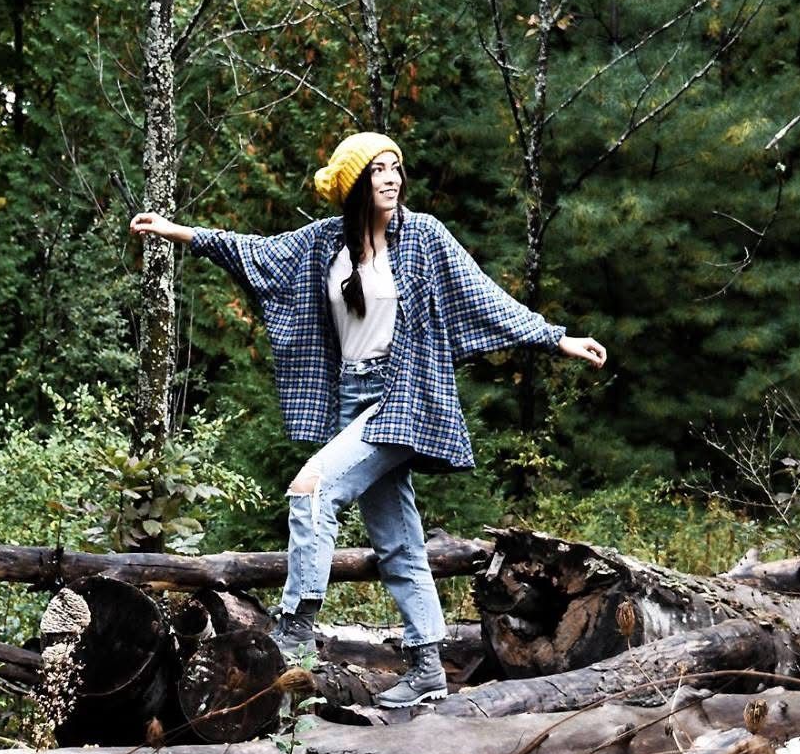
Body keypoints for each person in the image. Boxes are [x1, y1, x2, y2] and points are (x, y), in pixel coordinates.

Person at [130, 132, 606, 709]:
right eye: (378, 169)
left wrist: (557, 339)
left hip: (403, 394)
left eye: (396, 168)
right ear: (354, 182)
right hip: (351, 400)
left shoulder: (424, 237)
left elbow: (485, 299)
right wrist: (177, 233)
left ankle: (297, 629)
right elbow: (251, 251)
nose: (391, 178)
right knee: (398, 541)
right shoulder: (324, 243)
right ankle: (429, 664)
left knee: (310, 490)